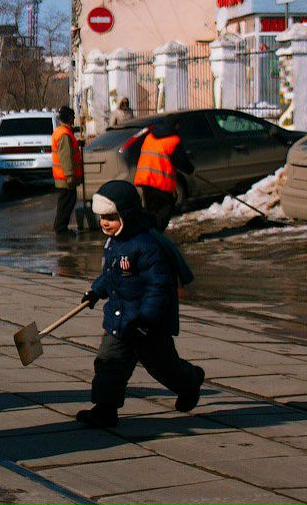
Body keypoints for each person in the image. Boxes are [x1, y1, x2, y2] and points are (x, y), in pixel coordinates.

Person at [77, 179, 204, 428]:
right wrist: (96, 291)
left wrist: (146, 319)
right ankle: (105, 410)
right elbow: (111, 275)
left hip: (148, 325)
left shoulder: (146, 246)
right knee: (108, 362)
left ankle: (190, 382)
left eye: (111, 217)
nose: (105, 223)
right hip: (120, 320)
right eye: (102, 217)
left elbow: (159, 288)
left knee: (164, 367)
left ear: (127, 214)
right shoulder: (115, 242)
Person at [133, 119, 194, 232]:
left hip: (145, 180)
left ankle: (150, 234)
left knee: (152, 210)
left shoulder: (149, 137)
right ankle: (155, 235)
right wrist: (190, 169)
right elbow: (181, 161)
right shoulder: (173, 140)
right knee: (166, 209)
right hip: (160, 181)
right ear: (175, 126)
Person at [51, 106, 83, 235]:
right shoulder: (64, 134)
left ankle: (60, 226)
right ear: (69, 118)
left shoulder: (62, 132)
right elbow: (66, 157)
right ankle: (60, 228)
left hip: (63, 176)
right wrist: (69, 175)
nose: (74, 118)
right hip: (65, 177)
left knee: (66, 201)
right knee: (66, 202)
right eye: (73, 116)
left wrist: (78, 144)